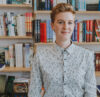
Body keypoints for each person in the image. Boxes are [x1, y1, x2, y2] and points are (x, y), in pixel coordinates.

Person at [28, 3, 97, 97]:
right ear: (52, 25)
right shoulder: (40, 56)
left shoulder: (87, 56)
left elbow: (91, 93)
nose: (66, 27)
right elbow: (33, 92)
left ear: (74, 25)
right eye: (60, 22)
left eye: (70, 22)